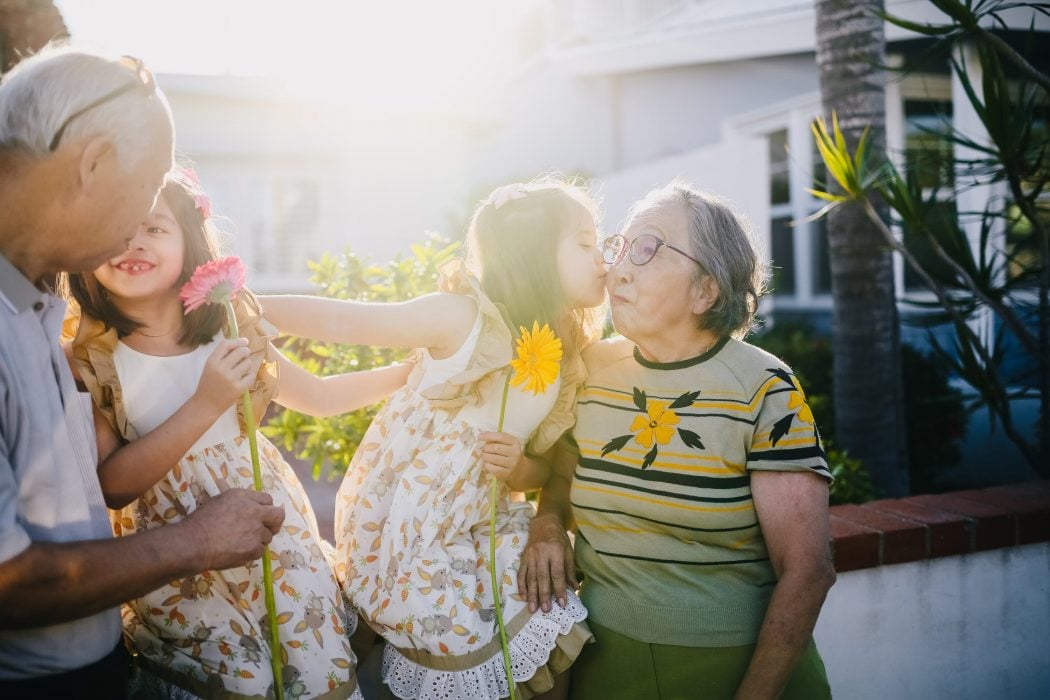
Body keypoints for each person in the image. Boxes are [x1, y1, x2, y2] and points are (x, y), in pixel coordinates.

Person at [0, 46, 284, 698]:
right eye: (149, 190)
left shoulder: (36, 299)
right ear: (93, 163)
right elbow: (9, 581)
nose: (139, 228)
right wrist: (193, 542)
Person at [65, 170, 413, 699]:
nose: (133, 241)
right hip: (180, 561)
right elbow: (114, 484)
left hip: (273, 537)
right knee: (235, 681)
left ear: (190, 242)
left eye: (154, 228)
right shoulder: (91, 359)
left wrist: (407, 376)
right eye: (116, 227)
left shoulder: (230, 328)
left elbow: (317, 396)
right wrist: (208, 401)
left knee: (312, 670)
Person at [260, 180, 606, 700]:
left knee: (545, 624)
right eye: (584, 243)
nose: (601, 256)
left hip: (479, 520)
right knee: (471, 650)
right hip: (414, 532)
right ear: (534, 253)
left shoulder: (562, 352)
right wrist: (249, 304)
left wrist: (518, 468)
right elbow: (349, 320)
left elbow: (540, 470)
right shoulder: (465, 318)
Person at [518, 182, 836, 699]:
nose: (617, 267)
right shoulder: (592, 369)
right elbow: (560, 476)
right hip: (602, 662)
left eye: (647, 250)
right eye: (622, 247)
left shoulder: (764, 389)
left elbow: (807, 570)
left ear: (705, 290)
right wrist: (548, 525)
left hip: (739, 669)